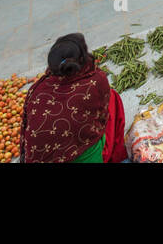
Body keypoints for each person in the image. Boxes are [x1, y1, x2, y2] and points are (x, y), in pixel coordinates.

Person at [20, 33, 127, 164]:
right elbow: (102, 118)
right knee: (112, 99)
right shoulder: (96, 81)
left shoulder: (36, 89)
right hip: (83, 155)